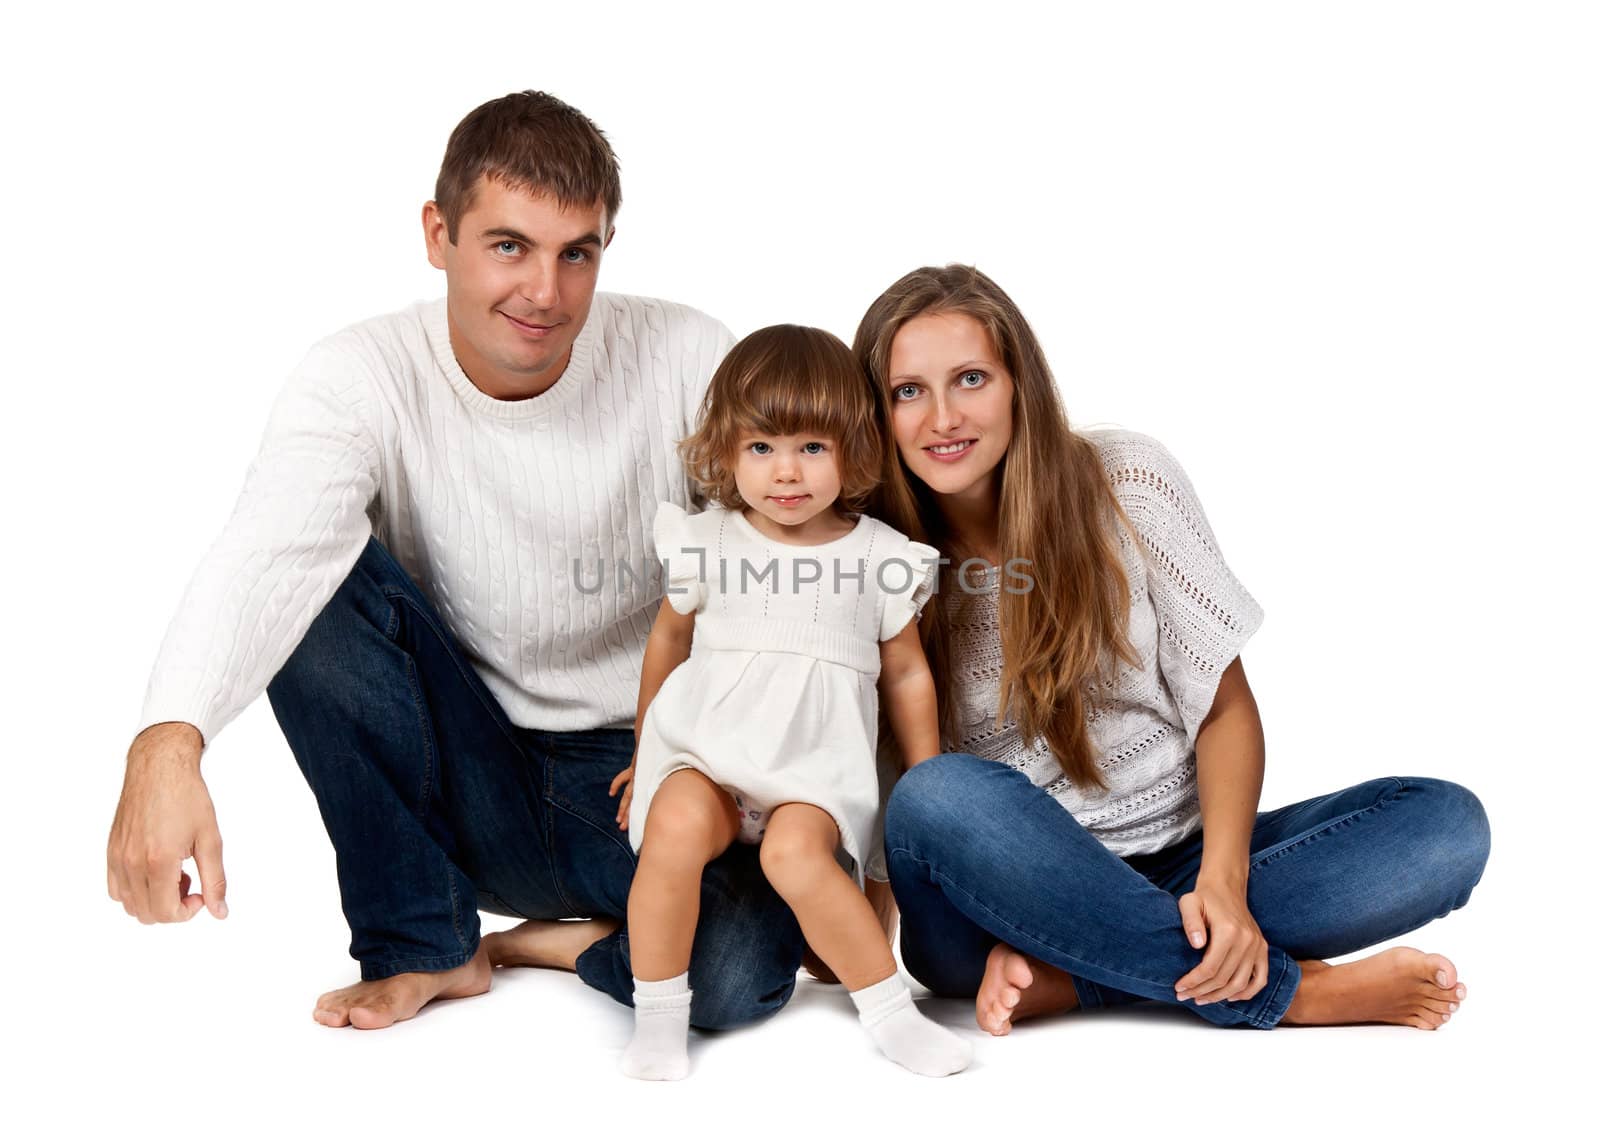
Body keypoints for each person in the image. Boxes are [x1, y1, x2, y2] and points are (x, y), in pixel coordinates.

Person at [104, 90, 805, 1031]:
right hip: (459, 764)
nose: (544, 293)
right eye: (508, 246)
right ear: (439, 234)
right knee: (310, 576)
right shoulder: (360, 373)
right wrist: (166, 742)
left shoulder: (687, 354)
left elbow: (791, 571)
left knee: (736, 968)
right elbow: (263, 554)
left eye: (576, 253)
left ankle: (539, 941)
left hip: (642, 775)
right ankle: (425, 940)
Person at [853, 264, 1492, 1034]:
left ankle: (1083, 975)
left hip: (1182, 856)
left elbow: (1223, 708)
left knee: (1447, 825)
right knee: (937, 795)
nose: (943, 416)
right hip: (996, 905)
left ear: (1018, 382)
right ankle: (1289, 995)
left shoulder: (1129, 480)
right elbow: (896, 791)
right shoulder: (874, 558)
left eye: (970, 378)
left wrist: (1223, 879)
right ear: (877, 413)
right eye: (908, 391)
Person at [608, 325, 971, 1079]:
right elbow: (669, 644)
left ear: (852, 450)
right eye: (762, 448)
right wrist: (647, 752)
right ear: (728, 450)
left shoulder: (878, 556)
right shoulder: (708, 541)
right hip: (706, 759)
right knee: (674, 825)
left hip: (810, 775)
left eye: (812, 448)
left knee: (795, 851)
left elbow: (905, 675)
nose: (787, 472)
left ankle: (890, 1013)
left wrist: (925, 781)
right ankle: (658, 1017)